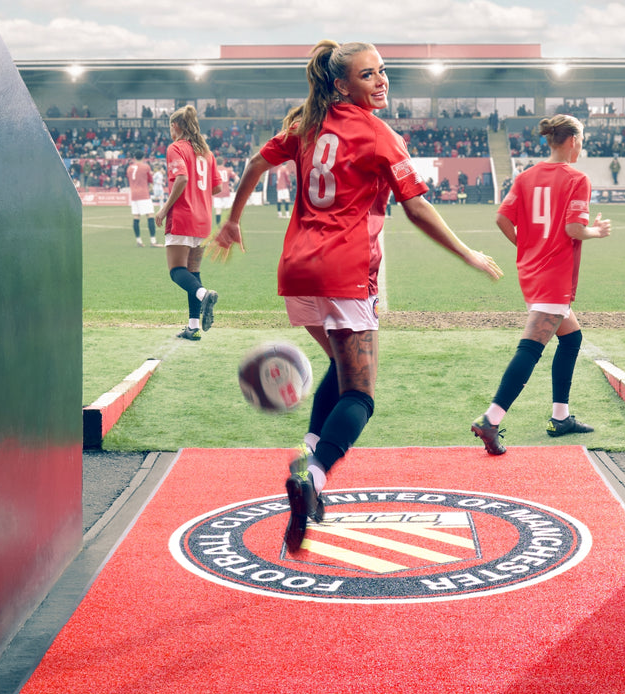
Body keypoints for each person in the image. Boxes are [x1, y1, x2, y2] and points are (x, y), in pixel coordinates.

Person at [212, 40, 502, 550]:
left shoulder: (306, 123)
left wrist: (232, 220)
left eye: (383, 72)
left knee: (338, 369)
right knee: (361, 395)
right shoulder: (378, 133)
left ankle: (306, 455)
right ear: (342, 84)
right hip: (344, 273)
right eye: (369, 75)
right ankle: (315, 477)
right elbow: (416, 210)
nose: (382, 81)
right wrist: (468, 254)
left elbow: (256, 165)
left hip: (297, 272)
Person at [471, 114, 611, 456]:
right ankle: (491, 418)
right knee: (531, 348)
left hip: (532, 270)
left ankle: (560, 417)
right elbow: (574, 230)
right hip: (554, 274)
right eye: (582, 139)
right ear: (573, 140)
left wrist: (527, 247)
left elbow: (502, 218)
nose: (582, 146)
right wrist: (598, 231)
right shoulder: (577, 178)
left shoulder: (526, 176)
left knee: (571, 337)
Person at [155, 105, 223, 341]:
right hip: (203, 219)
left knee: (176, 272)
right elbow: (217, 187)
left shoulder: (175, 148)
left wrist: (164, 208)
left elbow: (181, 178)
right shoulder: (206, 152)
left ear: (175, 126)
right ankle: (193, 326)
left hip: (183, 216)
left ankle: (204, 294)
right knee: (193, 272)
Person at [126, 150, 161, 247]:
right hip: (143, 194)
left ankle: (139, 241)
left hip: (133, 195)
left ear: (134, 157)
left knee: (136, 217)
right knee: (150, 216)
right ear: (143, 157)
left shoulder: (129, 168)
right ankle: (153, 241)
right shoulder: (146, 167)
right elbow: (150, 180)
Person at [214, 161, 239, 226]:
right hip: (226, 192)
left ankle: (218, 225)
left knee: (218, 209)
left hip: (217, 192)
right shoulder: (228, 170)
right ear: (223, 163)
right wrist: (232, 186)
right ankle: (229, 223)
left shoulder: (214, 170)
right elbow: (237, 179)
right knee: (228, 209)